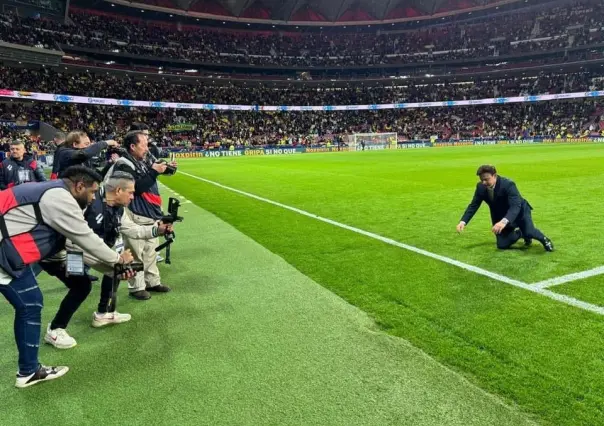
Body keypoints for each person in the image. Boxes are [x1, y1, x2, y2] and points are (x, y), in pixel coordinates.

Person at [0, 166, 134, 388]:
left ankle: (30, 369)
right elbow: (85, 238)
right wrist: (118, 260)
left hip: (14, 253)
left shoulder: (54, 193)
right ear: (79, 186)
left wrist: (112, 269)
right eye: (91, 192)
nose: (92, 199)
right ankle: (28, 371)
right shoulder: (60, 198)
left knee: (34, 301)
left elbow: (74, 244)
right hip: (6, 254)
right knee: (30, 304)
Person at [42, 172, 174, 349]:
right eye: (131, 192)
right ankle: (55, 329)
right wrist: (117, 259)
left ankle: (104, 313)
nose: (133, 196)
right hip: (64, 250)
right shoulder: (87, 201)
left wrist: (157, 230)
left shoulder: (118, 208)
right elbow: (74, 238)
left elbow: (133, 230)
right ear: (118, 190)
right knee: (81, 286)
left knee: (117, 270)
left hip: (90, 248)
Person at [105, 131, 176, 300]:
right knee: (136, 251)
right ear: (132, 146)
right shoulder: (124, 163)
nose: (147, 148)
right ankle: (136, 287)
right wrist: (153, 172)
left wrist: (168, 169)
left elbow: (150, 178)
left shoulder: (139, 161)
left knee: (150, 250)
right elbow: (135, 188)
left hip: (149, 212)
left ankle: (152, 281)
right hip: (136, 212)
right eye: (144, 144)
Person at [457, 165, 554, 251]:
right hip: (499, 214)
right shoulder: (480, 187)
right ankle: (521, 232)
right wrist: (463, 221)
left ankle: (544, 239)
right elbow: (474, 205)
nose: (483, 182)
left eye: (486, 179)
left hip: (520, 211)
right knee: (502, 245)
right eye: (481, 179)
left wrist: (503, 222)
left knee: (529, 232)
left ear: (494, 176)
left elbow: (515, 206)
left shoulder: (508, 184)